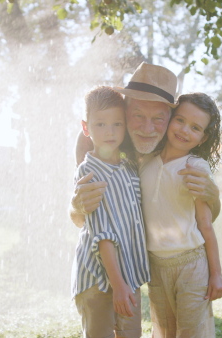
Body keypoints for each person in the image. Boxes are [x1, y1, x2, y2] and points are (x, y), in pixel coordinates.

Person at [70, 62, 221, 227]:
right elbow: (81, 219)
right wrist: (76, 207)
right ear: (125, 111)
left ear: (171, 118)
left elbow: (208, 217)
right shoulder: (93, 141)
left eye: (158, 118)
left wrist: (213, 198)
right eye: (138, 116)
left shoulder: (178, 144)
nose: (147, 129)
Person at [140, 93, 222, 336]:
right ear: (169, 119)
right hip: (155, 266)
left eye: (195, 127)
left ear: (203, 138)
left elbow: (206, 225)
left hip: (191, 264)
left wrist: (217, 275)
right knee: (164, 330)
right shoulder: (145, 162)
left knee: (191, 332)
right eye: (180, 120)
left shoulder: (195, 168)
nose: (185, 130)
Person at [71, 86, 149, 338]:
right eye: (100, 124)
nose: (109, 132)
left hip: (128, 275)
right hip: (97, 279)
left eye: (117, 124)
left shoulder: (129, 168)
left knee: (131, 334)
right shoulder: (88, 173)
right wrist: (118, 285)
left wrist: (126, 283)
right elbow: (102, 234)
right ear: (86, 128)